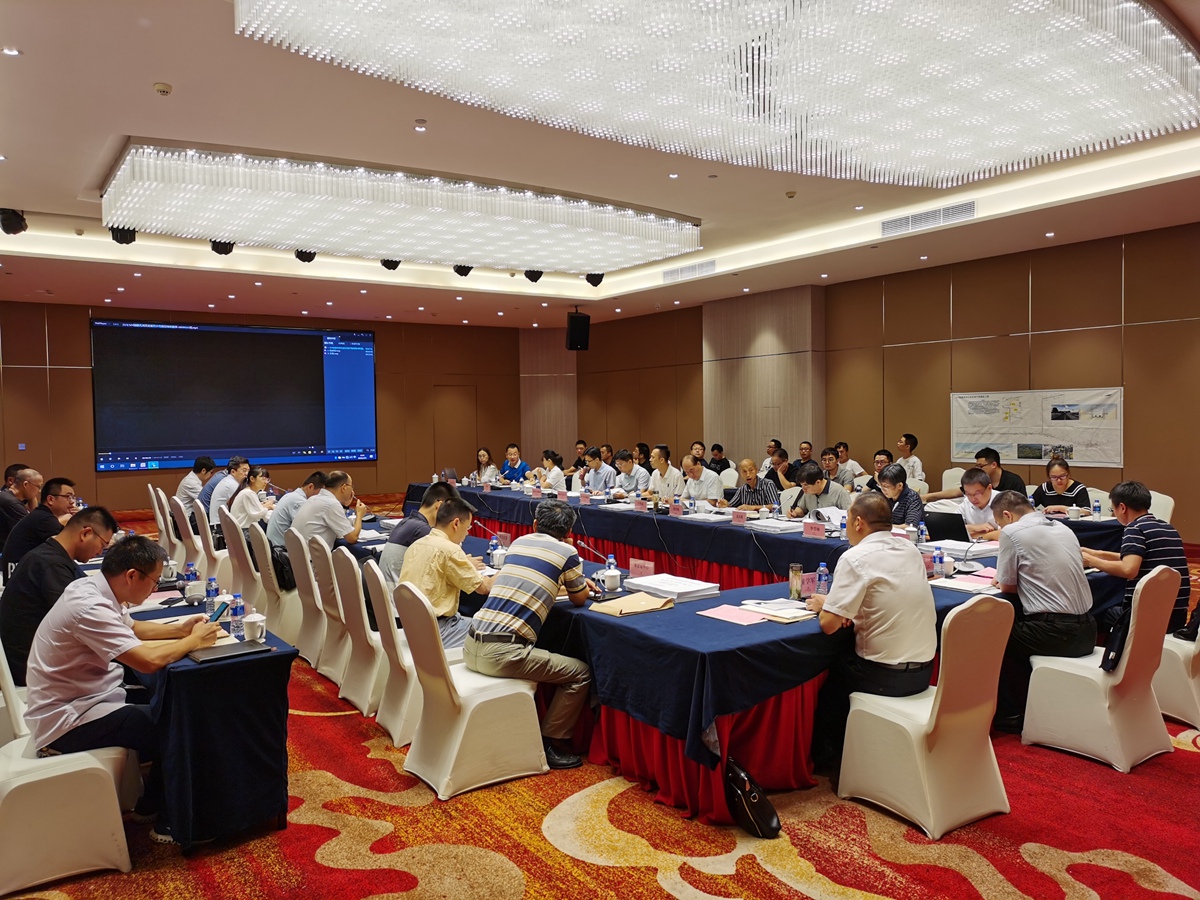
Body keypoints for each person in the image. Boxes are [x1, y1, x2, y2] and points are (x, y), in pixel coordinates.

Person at [22, 536, 223, 843]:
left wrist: (179, 630)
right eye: (154, 581)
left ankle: (151, 805)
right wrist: (194, 641)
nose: (155, 589)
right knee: (178, 725)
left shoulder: (93, 588)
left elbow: (132, 628)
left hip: (84, 700)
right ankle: (172, 822)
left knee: (170, 710)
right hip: (67, 720)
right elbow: (147, 661)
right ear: (131, 575)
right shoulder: (88, 606)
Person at [463, 500, 596, 769]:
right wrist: (580, 583)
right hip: (503, 654)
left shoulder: (519, 543)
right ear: (569, 532)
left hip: (471, 644)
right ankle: (549, 744)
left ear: (535, 525)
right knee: (581, 674)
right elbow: (579, 598)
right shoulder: (568, 552)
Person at [809, 492, 937, 768]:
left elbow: (829, 625)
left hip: (883, 676)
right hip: (924, 671)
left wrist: (826, 605)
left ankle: (834, 763)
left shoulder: (855, 557)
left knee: (827, 679)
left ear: (857, 523)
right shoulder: (910, 549)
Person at [990, 491, 1096, 733]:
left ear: (1007, 515)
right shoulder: (1063, 528)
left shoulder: (1012, 532)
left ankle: (1012, 713)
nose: (1001, 528)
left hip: (1057, 632)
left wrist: (999, 579)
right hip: (1088, 628)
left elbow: (1007, 587)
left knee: (991, 635)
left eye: (999, 522)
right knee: (1014, 632)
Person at [1, 507, 119, 686]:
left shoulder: (52, 554)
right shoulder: (51, 565)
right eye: (103, 545)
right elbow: (84, 619)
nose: (100, 552)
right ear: (86, 533)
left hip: (33, 657)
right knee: (125, 662)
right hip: (32, 668)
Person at [1082, 481, 1190, 635]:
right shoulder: (1168, 528)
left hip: (1146, 618)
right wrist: (1098, 554)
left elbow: (1129, 569)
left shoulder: (1135, 528)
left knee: (1098, 609)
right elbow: (1139, 557)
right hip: (1176, 617)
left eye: (1113, 509)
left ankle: (1114, 650)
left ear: (1122, 508)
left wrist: (1091, 561)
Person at [398, 496, 495, 649]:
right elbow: (485, 588)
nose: (467, 534)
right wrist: (507, 569)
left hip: (411, 628)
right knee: (497, 630)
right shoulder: (450, 550)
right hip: (438, 630)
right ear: (456, 523)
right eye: (467, 528)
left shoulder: (416, 545)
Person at [380, 481, 459, 588]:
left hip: (391, 592)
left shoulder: (406, 522)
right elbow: (441, 570)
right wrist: (462, 565)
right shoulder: (422, 530)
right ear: (439, 505)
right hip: (399, 595)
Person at [2, 477, 77, 577]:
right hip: (21, 576)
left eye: (73, 497)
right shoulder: (44, 519)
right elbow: (74, 546)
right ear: (50, 499)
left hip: (23, 571)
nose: (72, 502)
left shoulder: (42, 515)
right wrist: (79, 521)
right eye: (68, 497)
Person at [291, 470, 368, 548]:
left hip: (297, 553)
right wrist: (359, 515)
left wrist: (344, 505)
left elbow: (338, 526)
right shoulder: (331, 504)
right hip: (312, 554)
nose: (352, 490)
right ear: (344, 488)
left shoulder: (313, 499)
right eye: (351, 486)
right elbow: (352, 538)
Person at [926, 447, 1027, 501]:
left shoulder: (1014, 481)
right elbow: (957, 492)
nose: (978, 469)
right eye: (977, 466)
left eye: (981, 466)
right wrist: (927, 496)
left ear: (993, 465)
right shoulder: (980, 479)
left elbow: (1022, 506)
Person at [266, 471, 327, 548]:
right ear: (310, 487)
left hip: (275, 547)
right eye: (321, 493)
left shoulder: (291, 496)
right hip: (281, 551)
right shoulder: (299, 501)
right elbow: (307, 530)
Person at [787, 462, 853, 517]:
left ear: (818, 482)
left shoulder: (839, 491)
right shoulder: (807, 492)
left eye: (806, 485)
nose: (803, 489)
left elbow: (850, 515)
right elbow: (802, 509)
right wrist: (795, 513)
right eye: (802, 485)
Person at [0, 467, 42, 549]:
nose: (39, 491)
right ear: (25, 485)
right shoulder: (11, 502)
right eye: (38, 486)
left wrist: (32, 497)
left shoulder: (8, 496)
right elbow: (33, 530)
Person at [960, 466, 1002, 539]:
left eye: (977, 494)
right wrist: (973, 528)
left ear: (989, 488)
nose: (972, 498)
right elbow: (952, 527)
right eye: (968, 494)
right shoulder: (966, 502)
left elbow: (1004, 534)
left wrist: (975, 535)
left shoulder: (1003, 501)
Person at [227, 465, 274, 529]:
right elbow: (258, 514)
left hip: (241, 530)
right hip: (245, 531)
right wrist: (268, 506)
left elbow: (259, 511)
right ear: (252, 479)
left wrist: (266, 506)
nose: (266, 482)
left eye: (267, 479)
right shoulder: (248, 493)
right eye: (263, 478)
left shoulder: (248, 492)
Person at [207, 456, 250, 525]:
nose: (247, 474)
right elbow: (247, 508)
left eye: (248, 471)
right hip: (221, 527)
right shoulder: (232, 485)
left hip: (220, 525)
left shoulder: (228, 481)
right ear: (233, 472)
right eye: (244, 471)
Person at [174, 456, 217, 521]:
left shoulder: (192, 479)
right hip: (187, 519)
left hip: (185, 517)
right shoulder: (191, 483)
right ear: (203, 471)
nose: (211, 475)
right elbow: (206, 499)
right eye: (211, 472)